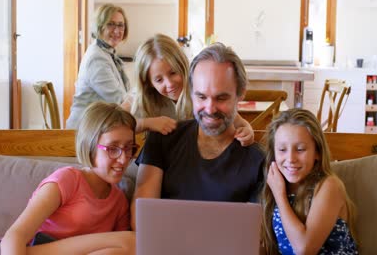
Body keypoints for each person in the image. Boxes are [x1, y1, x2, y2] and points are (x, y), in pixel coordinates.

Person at [131, 42, 265, 229]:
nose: (210, 109)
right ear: (191, 93)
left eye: (221, 98)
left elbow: (255, 236)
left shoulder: (257, 161)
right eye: (201, 97)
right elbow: (141, 220)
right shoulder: (162, 138)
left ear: (240, 94)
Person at [0, 102, 137, 254]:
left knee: (129, 246)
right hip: (14, 251)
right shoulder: (67, 180)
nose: (123, 159)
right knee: (130, 241)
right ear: (89, 146)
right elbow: (14, 237)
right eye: (113, 149)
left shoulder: (119, 202)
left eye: (129, 148)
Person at [121, 33, 254, 145]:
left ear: (183, 66)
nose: (169, 84)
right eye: (159, 80)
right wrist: (147, 123)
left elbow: (240, 123)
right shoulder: (139, 98)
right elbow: (110, 125)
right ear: (148, 82)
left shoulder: (199, 91)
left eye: (173, 73)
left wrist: (248, 132)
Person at [259, 108, 358, 254]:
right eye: (282, 149)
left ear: (317, 152)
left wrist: (280, 196)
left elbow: (304, 249)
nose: (291, 159)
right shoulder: (277, 184)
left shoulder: (329, 186)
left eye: (300, 149)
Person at [66, 4, 131, 129]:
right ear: (99, 26)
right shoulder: (97, 58)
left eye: (120, 25)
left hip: (98, 125)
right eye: (111, 24)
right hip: (84, 131)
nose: (117, 31)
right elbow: (120, 101)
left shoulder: (106, 53)